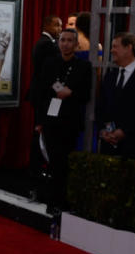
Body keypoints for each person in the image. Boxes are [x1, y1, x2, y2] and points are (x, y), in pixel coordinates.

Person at [33, 27, 92, 212]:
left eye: (69, 40)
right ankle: (52, 201)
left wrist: (71, 93)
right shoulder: (49, 63)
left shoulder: (84, 66)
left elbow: (86, 94)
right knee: (53, 161)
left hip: (70, 120)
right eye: (62, 40)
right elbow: (42, 92)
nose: (65, 44)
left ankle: (64, 200)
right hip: (50, 119)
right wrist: (40, 121)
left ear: (76, 44)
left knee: (65, 162)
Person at [97, 32, 135, 160]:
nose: (112, 50)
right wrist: (104, 131)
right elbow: (101, 106)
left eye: (115, 46)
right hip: (108, 147)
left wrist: (124, 131)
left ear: (129, 48)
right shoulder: (109, 76)